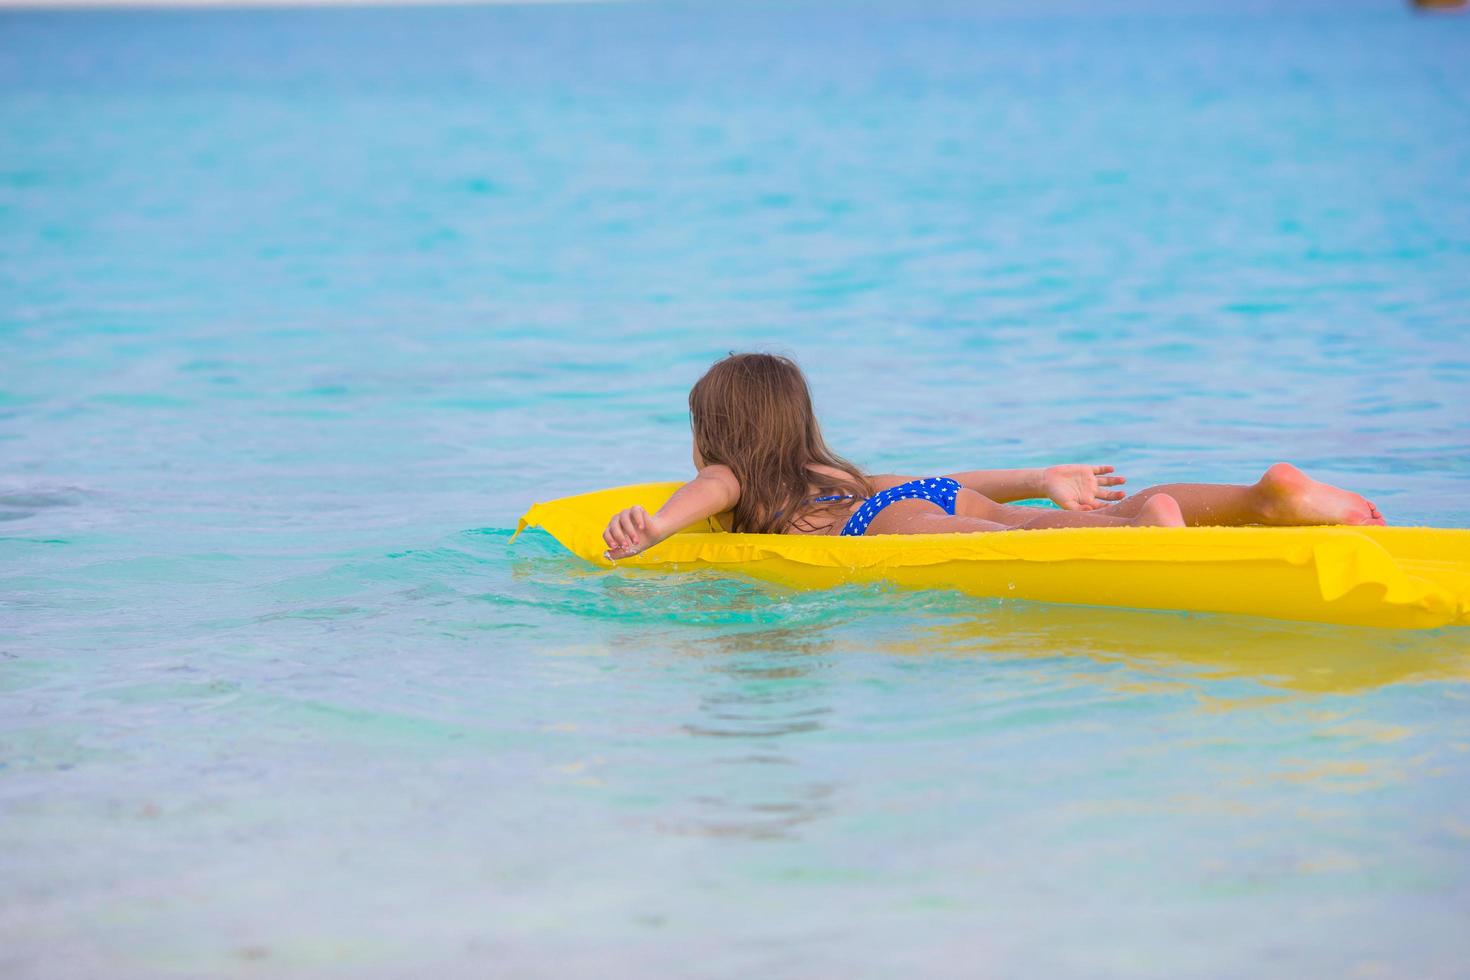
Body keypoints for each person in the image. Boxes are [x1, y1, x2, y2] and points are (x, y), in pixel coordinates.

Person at [602, 353, 1385, 560]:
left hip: (881, 527)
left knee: (1025, 543)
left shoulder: (738, 478)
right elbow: (947, 484)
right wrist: (1038, 479)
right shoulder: (832, 471)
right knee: (1022, 519)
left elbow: (707, 488)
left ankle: (1132, 530)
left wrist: (654, 527)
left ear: (722, 430)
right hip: (918, 494)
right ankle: (1259, 502)